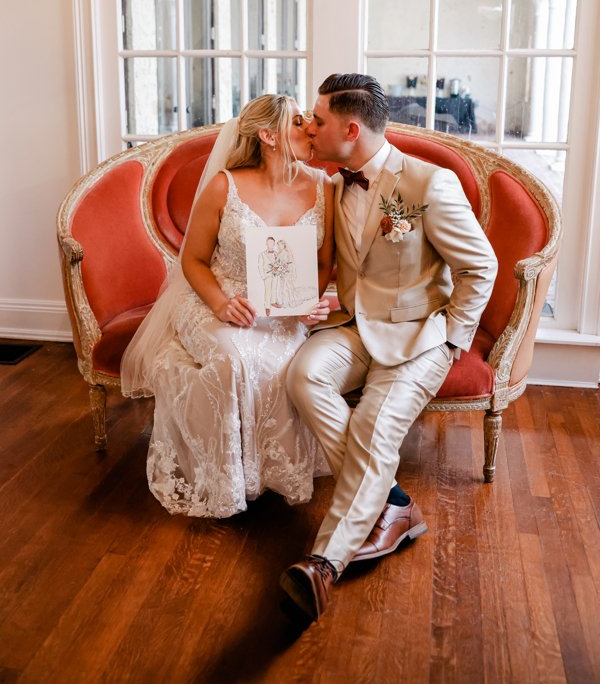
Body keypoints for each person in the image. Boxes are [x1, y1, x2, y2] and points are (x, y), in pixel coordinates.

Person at [279, 73, 498, 623]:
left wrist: (452, 342)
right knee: (302, 375)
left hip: (420, 335)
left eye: (319, 118)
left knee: (376, 423)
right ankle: (393, 504)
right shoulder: (331, 183)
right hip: (354, 325)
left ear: (350, 129)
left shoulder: (428, 184)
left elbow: (480, 266)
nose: (310, 124)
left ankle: (323, 564)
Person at [121, 94, 335, 518]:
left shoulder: (324, 187)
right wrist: (220, 303)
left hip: (282, 310)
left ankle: (273, 474)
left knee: (285, 362)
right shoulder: (225, 185)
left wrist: (308, 301)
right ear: (268, 135)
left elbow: (325, 262)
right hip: (215, 298)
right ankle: (230, 482)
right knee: (233, 360)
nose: (310, 128)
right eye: (298, 122)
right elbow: (193, 260)